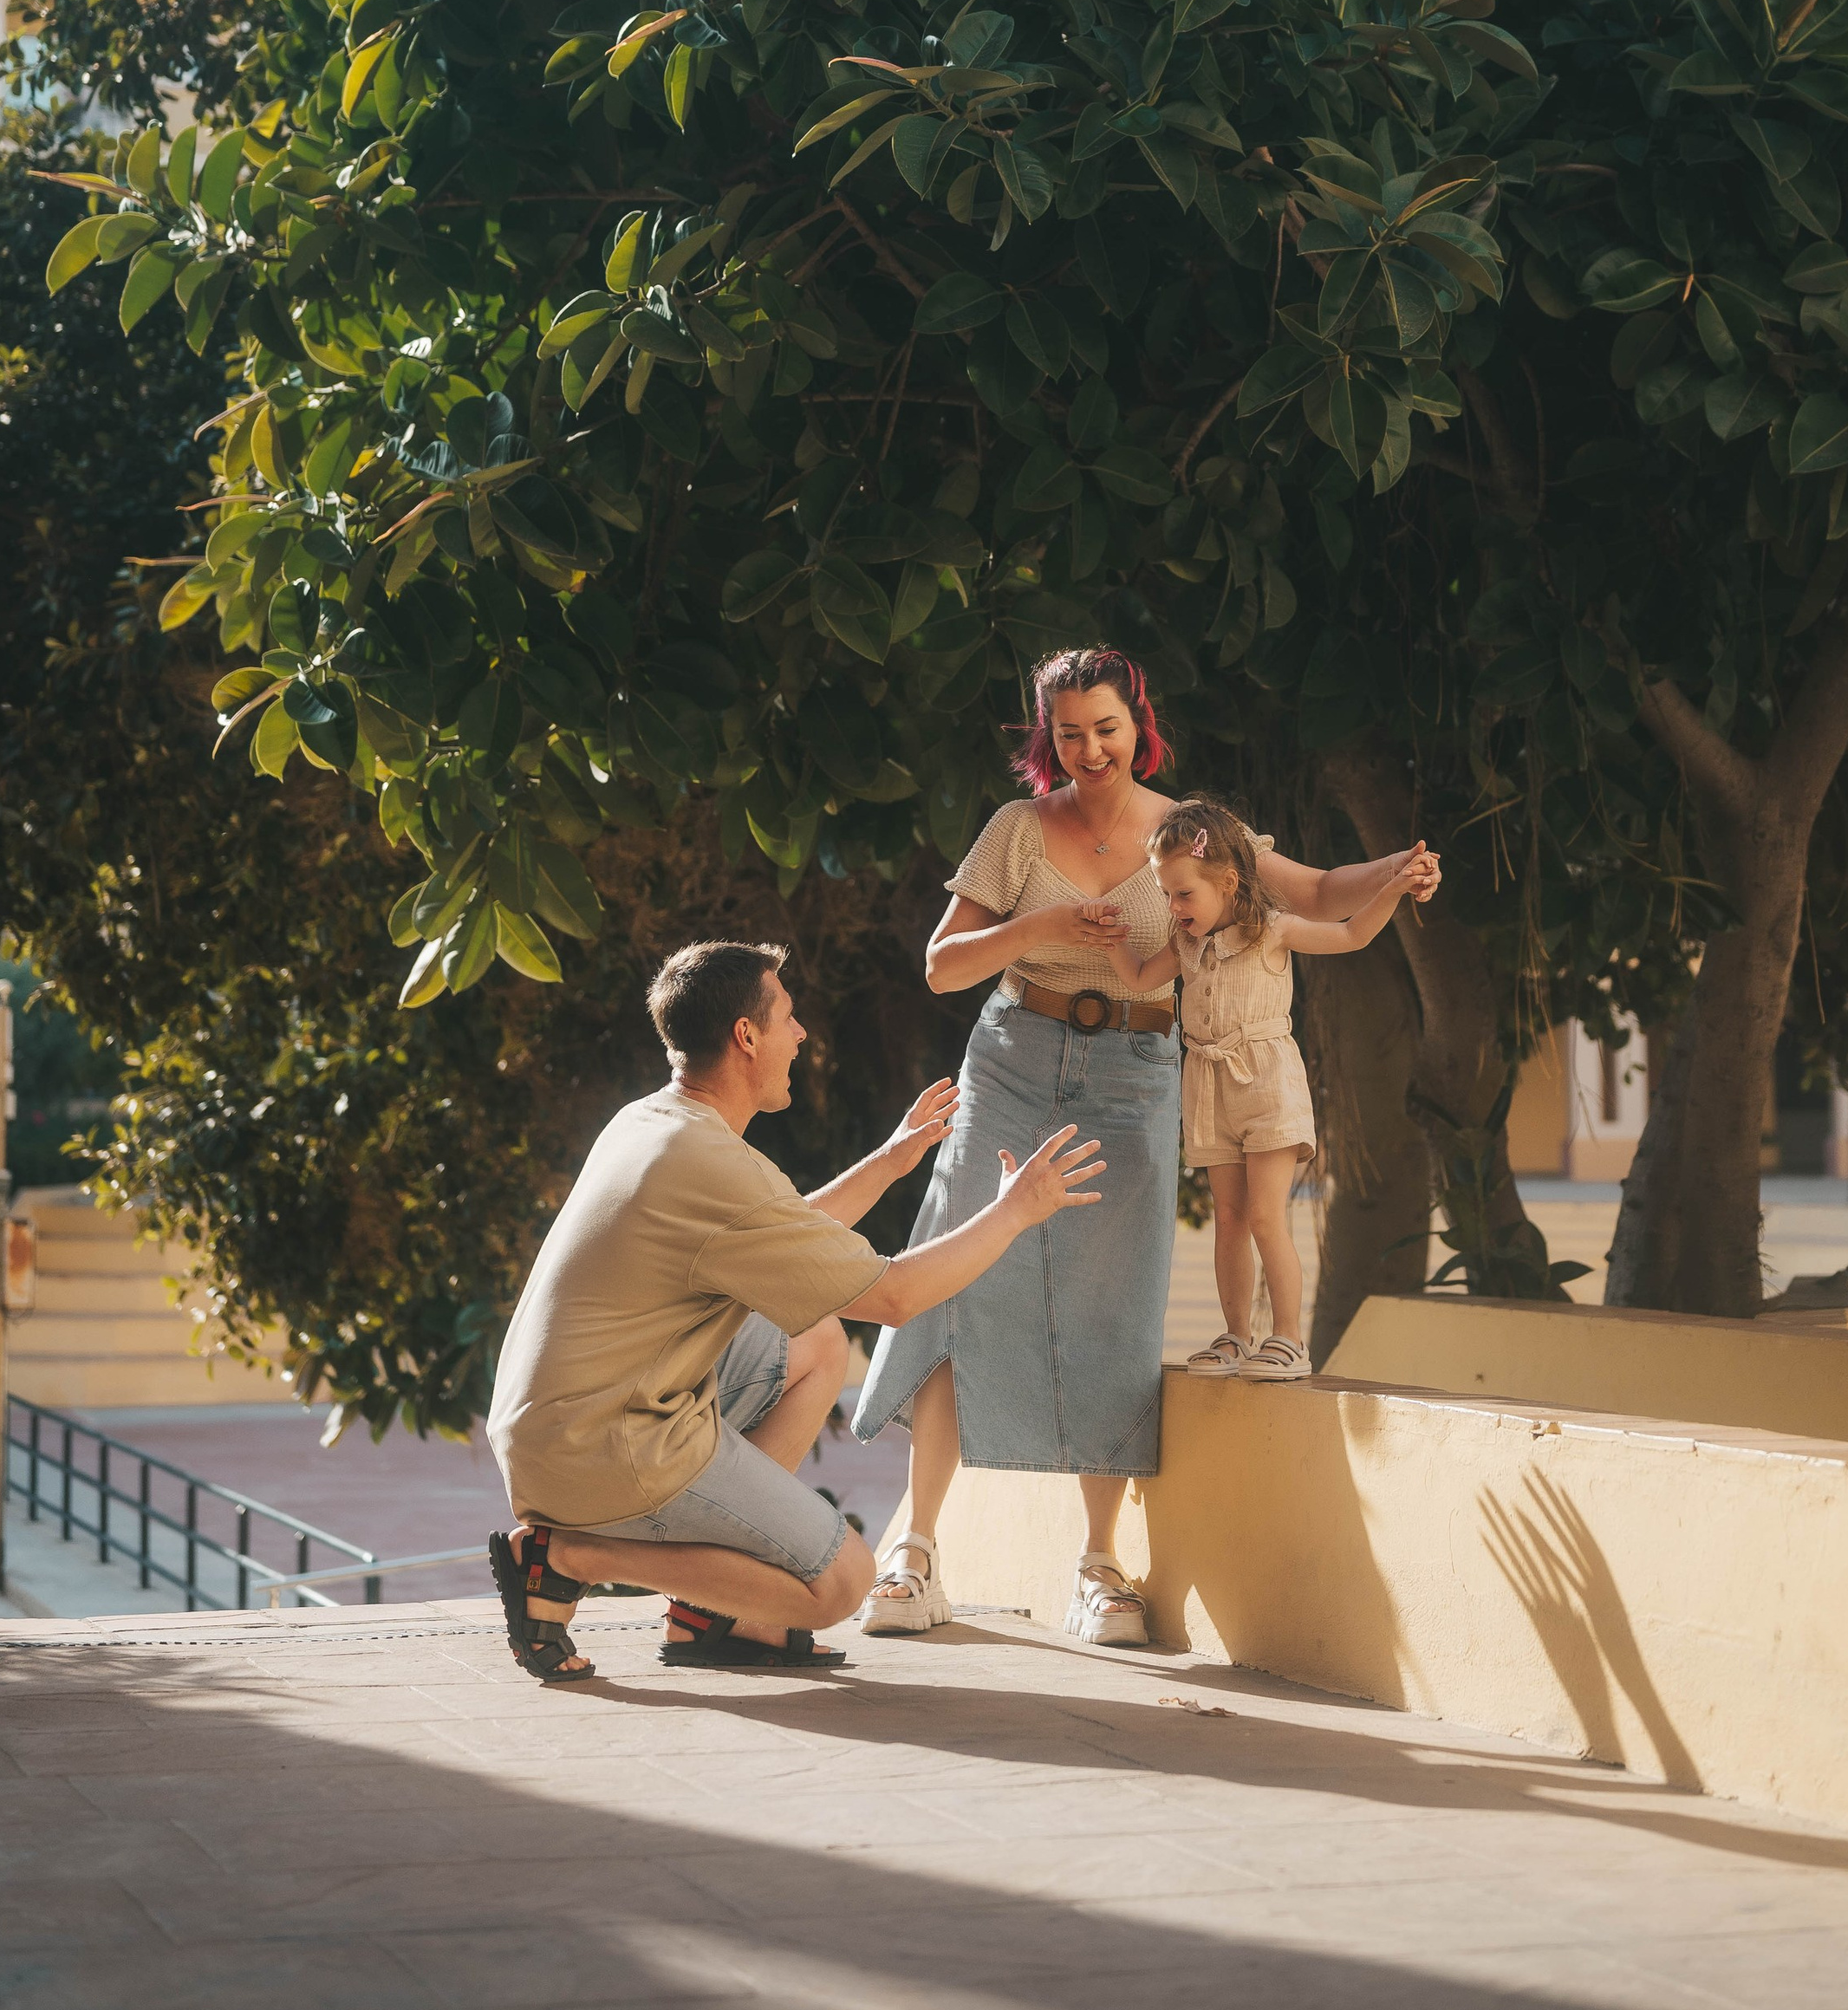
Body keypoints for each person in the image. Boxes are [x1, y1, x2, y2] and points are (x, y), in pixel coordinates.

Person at [852, 641, 1440, 1649]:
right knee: (952, 1274)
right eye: (1069, 732)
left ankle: (1097, 1564)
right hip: (1011, 1053)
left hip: (1133, 1070)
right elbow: (943, 965)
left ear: (1139, 722)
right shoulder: (1014, 830)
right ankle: (916, 1554)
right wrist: (1034, 921)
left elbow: (1319, 893)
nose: (1089, 748)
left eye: (1106, 727)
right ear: (1048, 737)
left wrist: (1397, 868)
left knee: (1112, 1301)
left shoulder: (1194, 833)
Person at [486, 938, 1103, 1685]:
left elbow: (781, 1238)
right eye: (788, 1016)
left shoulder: (653, 1123)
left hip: (561, 1425)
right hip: (602, 1445)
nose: (802, 1033)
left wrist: (890, 1159)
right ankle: (562, 1558)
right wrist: (1014, 1213)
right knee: (839, 1583)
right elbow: (895, 1297)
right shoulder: (712, 1163)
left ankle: (710, 1609)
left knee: (814, 1341)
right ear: (746, 1037)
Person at [1133, 797, 1428, 1382]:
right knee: (1230, 1217)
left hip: (1267, 1085)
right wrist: (1105, 937)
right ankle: (1236, 1337)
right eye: (1166, 894)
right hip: (1209, 1087)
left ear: (1228, 881)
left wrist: (1390, 889)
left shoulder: (1273, 930)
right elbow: (1138, 977)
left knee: (1267, 1216)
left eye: (1184, 893)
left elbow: (1348, 934)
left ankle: (1289, 1339)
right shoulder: (1185, 943)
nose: (1174, 906)